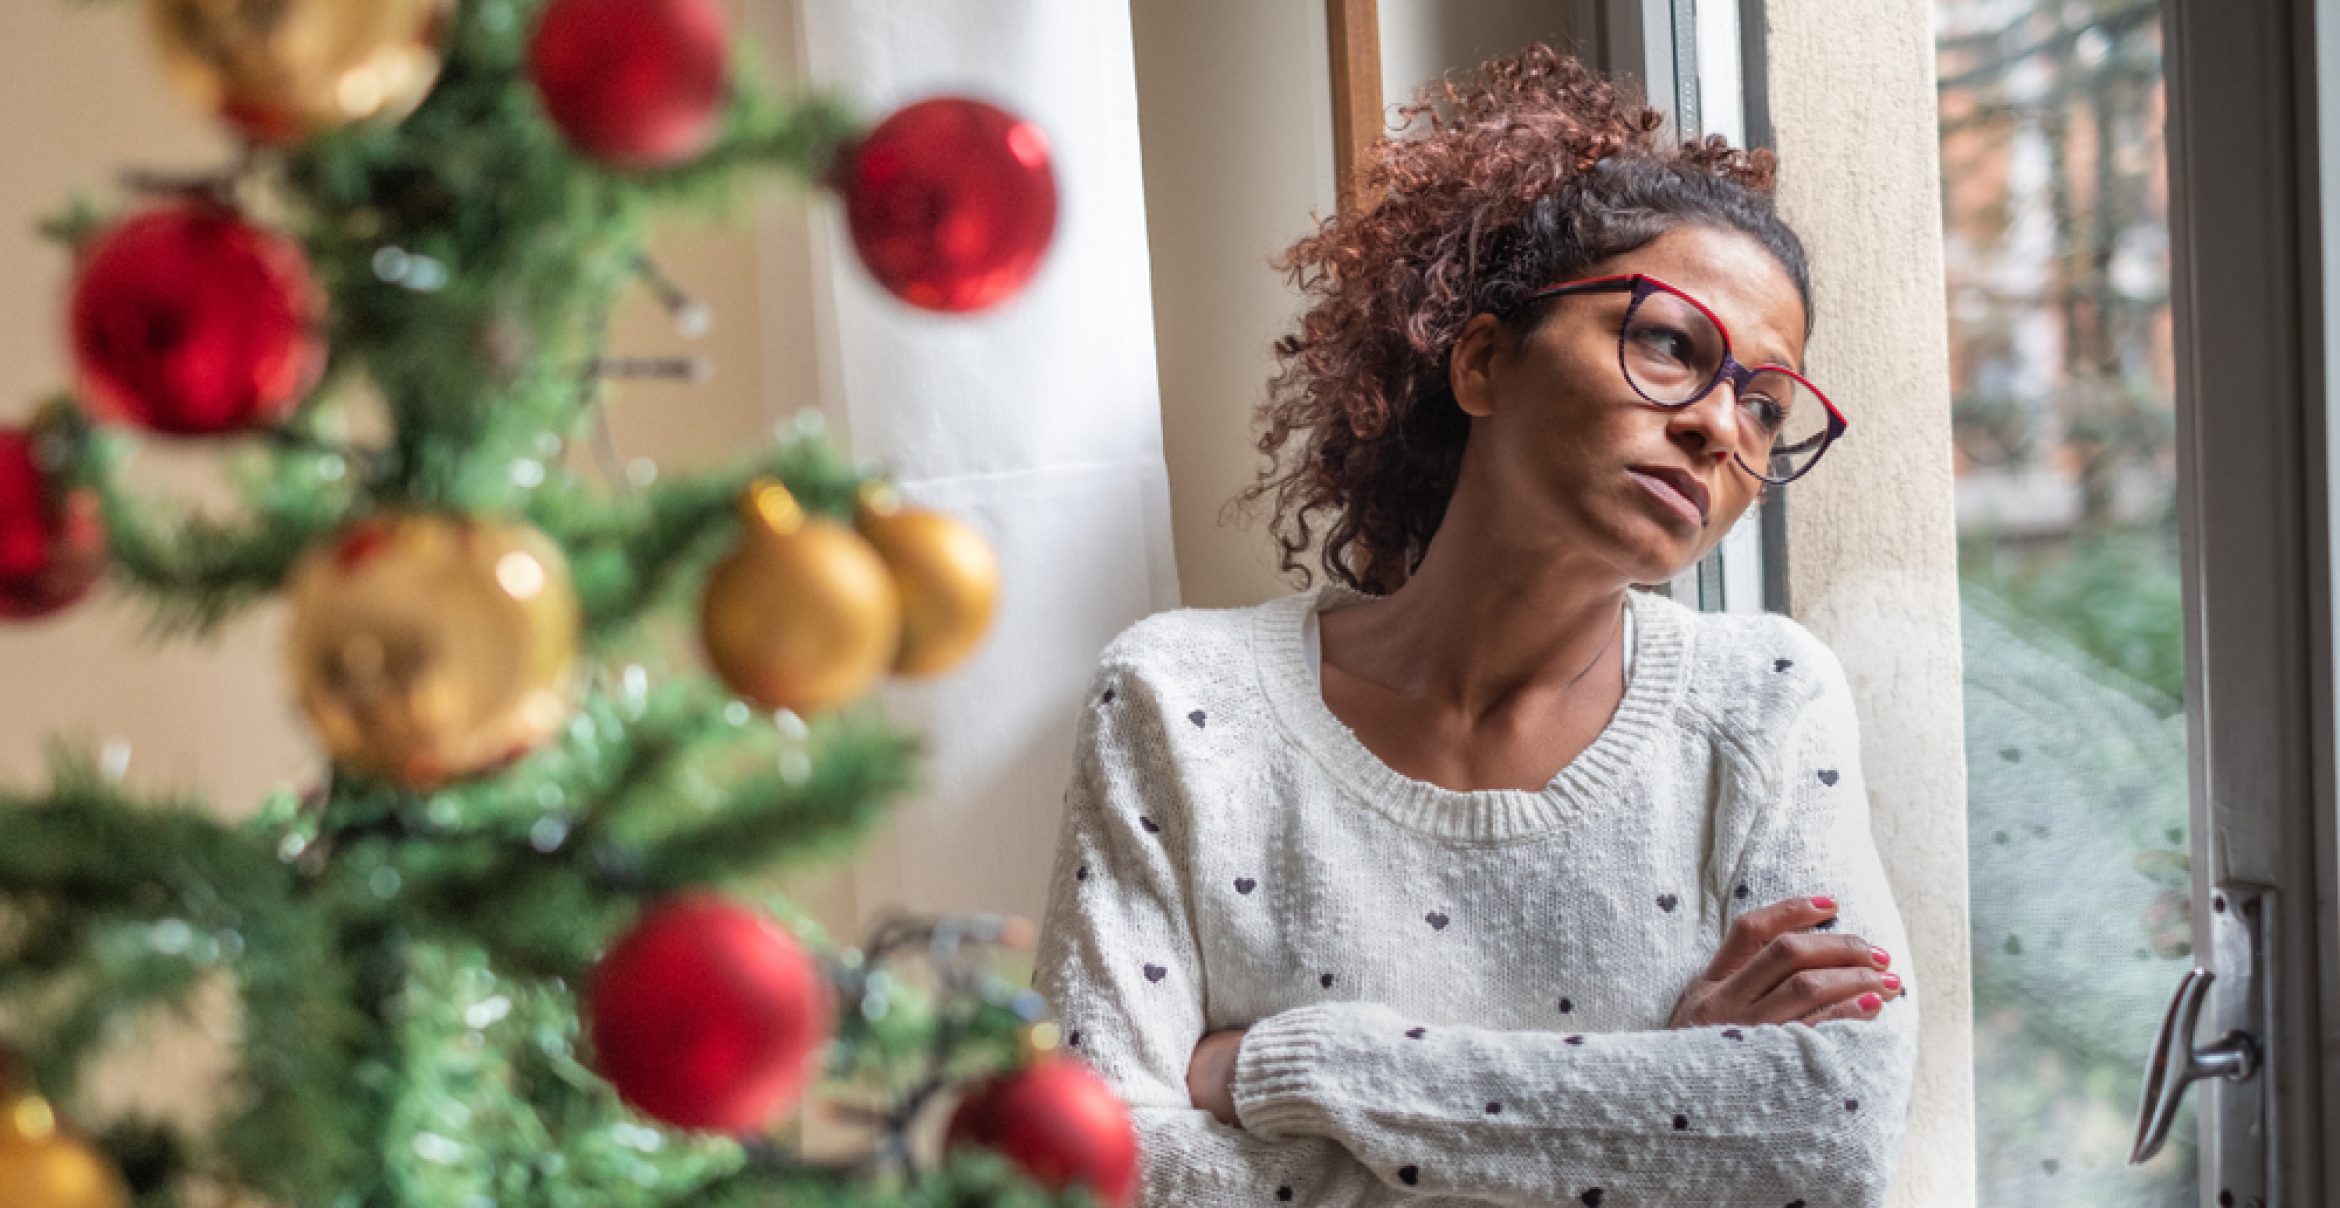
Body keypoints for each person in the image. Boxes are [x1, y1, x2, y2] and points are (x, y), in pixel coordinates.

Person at [1031, 42, 1917, 1207]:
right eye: (1669, 342)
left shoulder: (1765, 702)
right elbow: (1085, 1173)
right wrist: (1661, 1092)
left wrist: (1287, 1064)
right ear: (1487, 360)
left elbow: (1827, 1139)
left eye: (1763, 403)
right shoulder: (1183, 703)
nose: (1718, 427)